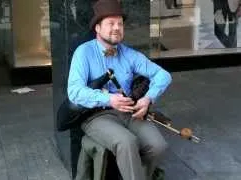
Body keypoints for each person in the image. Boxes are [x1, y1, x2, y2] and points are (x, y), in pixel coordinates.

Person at [67, 0, 172, 179]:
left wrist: (148, 99)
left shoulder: (129, 54)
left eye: (120, 24)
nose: (117, 28)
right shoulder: (83, 52)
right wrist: (109, 99)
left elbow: (163, 75)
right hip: (96, 115)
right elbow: (74, 91)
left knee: (158, 146)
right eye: (110, 23)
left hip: (128, 113)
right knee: (127, 142)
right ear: (98, 28)